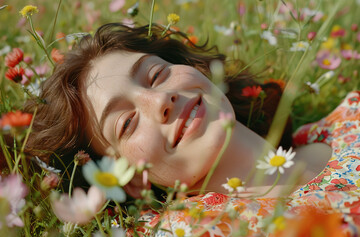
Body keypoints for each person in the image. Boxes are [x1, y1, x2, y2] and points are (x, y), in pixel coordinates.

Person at [23, 22, 332, 198]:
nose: (160, 101)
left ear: (198, 71)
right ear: (127, 178)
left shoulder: (344, 121)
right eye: (127, 123)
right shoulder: (197, 232)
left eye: (157, 75)